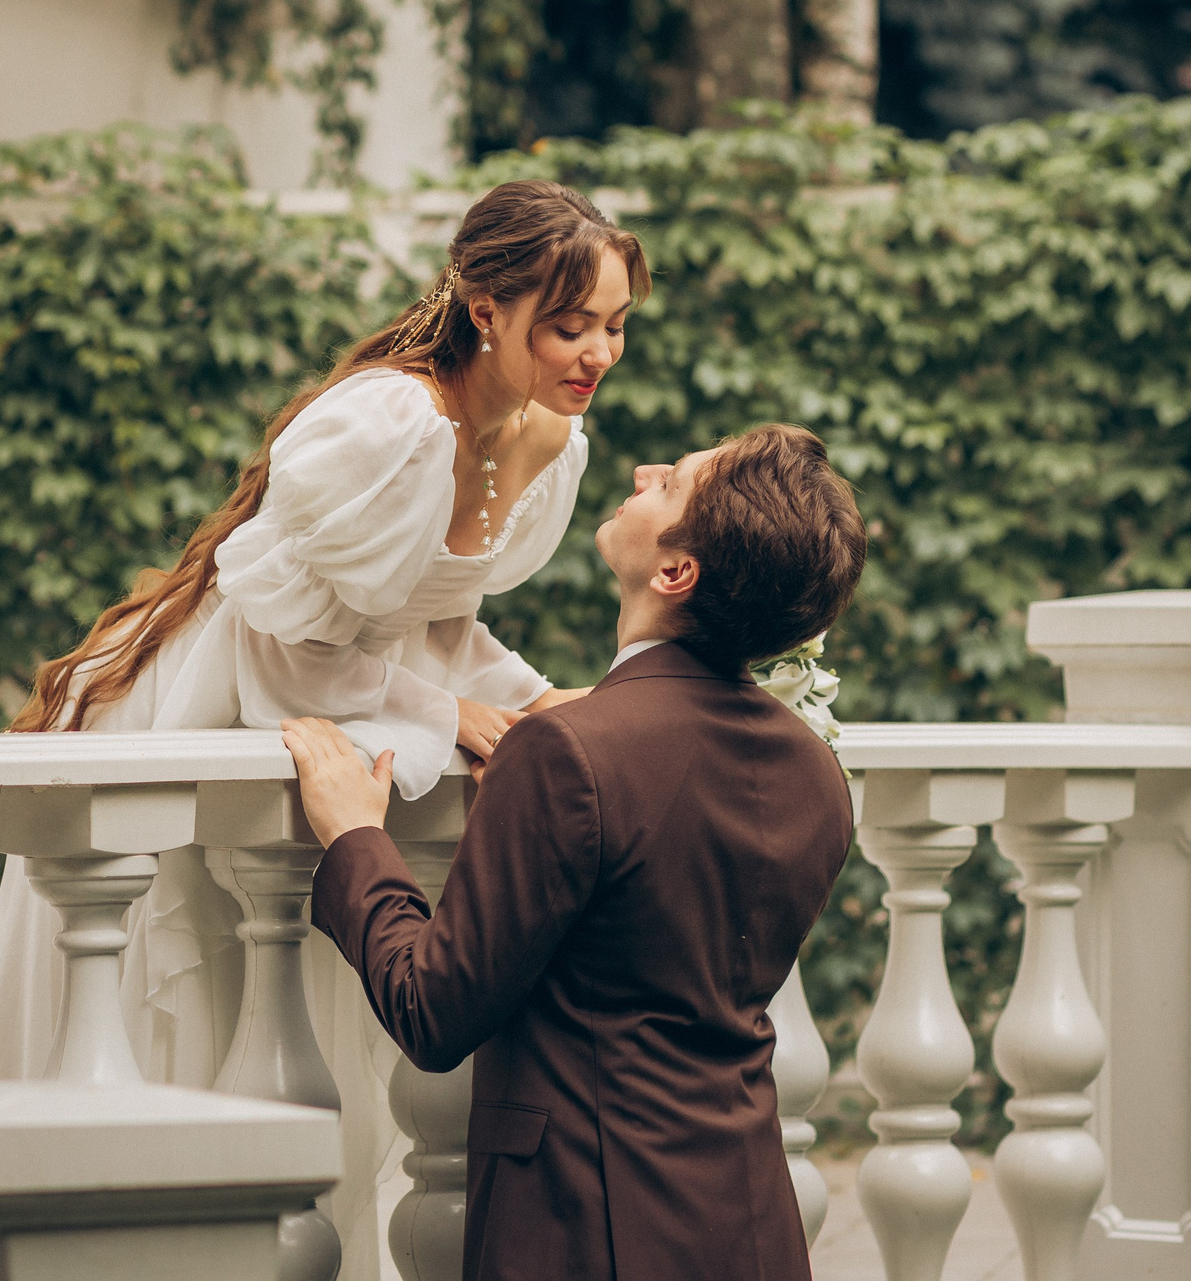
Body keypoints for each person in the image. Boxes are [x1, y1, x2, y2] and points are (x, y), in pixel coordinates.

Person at [0, 180, 650, 1270]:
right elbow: (286, 645)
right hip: (218, 696)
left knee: (291, 1033)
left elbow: (430, 618)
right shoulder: (390, 420)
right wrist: (448, 714)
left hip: (340, 692)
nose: (596, 352)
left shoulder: (541, 436)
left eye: (614, 326)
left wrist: (534, 698)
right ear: (485, 306)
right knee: (178, 994)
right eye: (569, 324)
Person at [282, 423, 865, 1281]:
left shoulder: (568, 753)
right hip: (752, 1224)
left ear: (676, 571)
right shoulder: (816, 769)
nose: (643, 469)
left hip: (585, 1228)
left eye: (671, 484)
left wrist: (357, 837)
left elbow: (433, 1011)